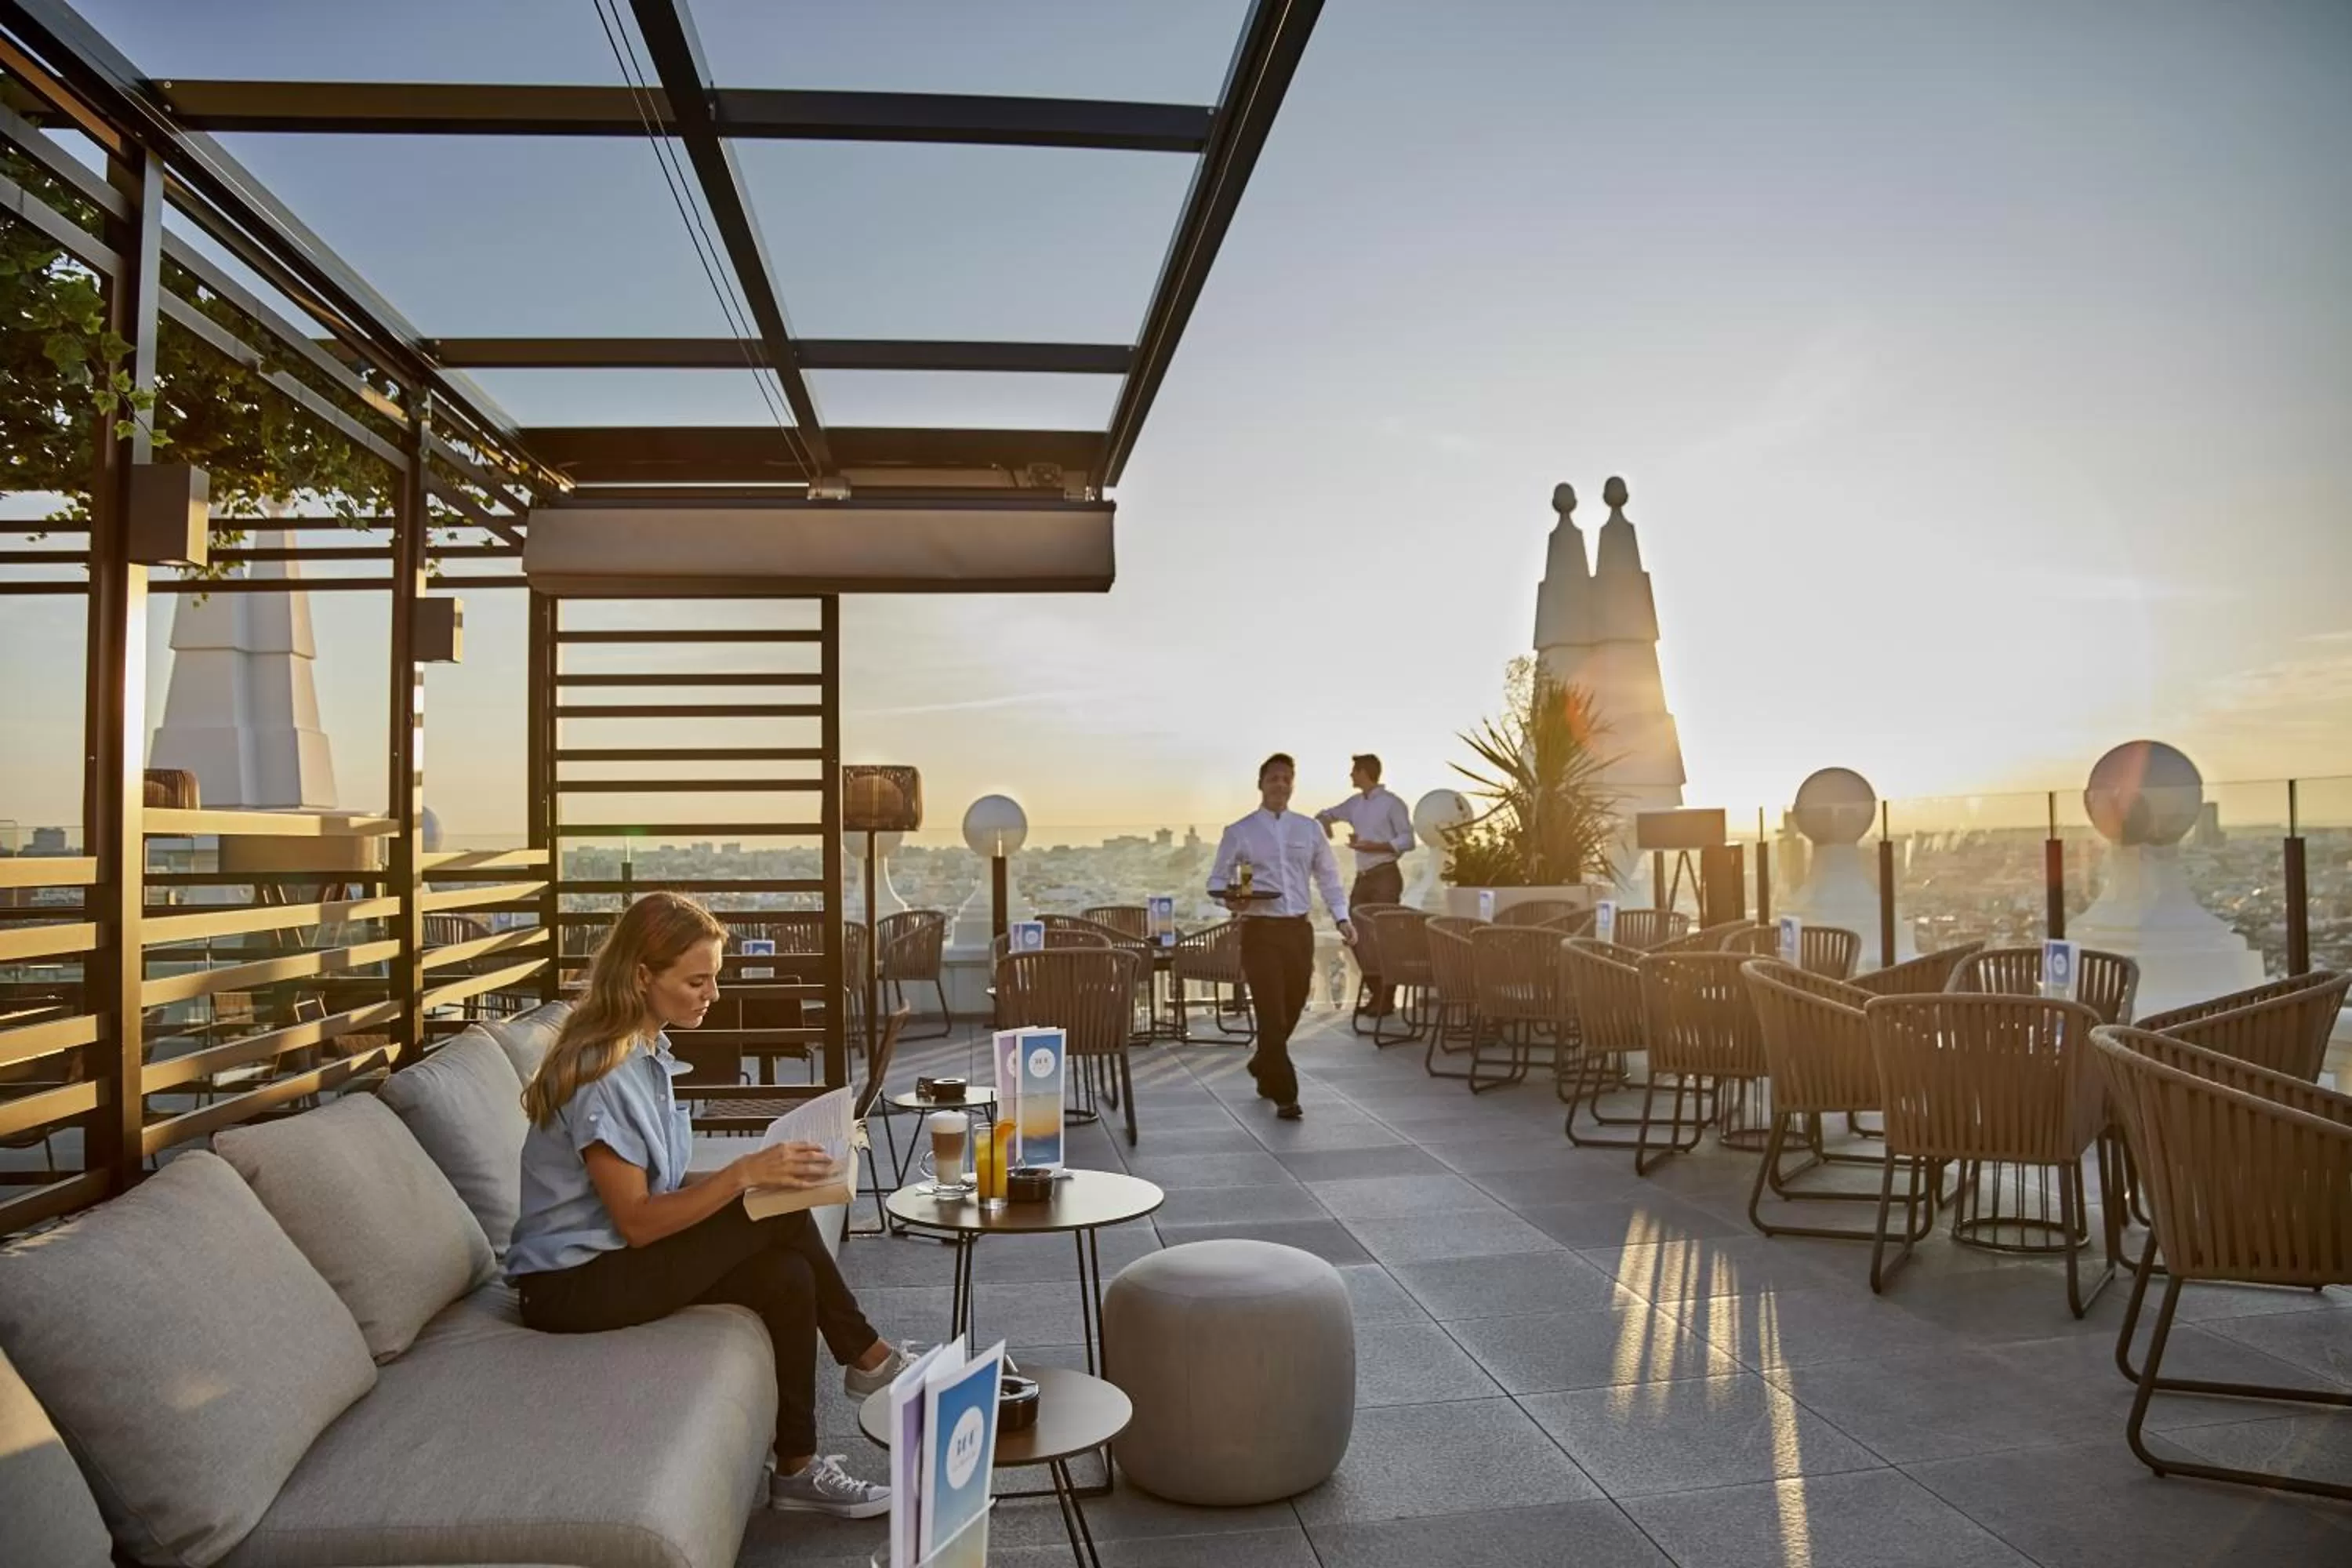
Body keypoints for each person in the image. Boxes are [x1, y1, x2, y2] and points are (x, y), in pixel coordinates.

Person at [505, 891, 906, 1518]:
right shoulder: (602, 1076)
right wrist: (744, 1175)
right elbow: (638, 1222)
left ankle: (798, 1468)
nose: (712, 994)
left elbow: (658, 1184)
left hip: (612, 1261)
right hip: (570, 1287)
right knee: (779, 1213)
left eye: (714, 978)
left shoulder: (646, 1057)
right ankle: (871, 1358)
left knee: (788, 1273)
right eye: (697, 980)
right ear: (643, 976)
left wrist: (760, 1175)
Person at [1209, 753, 1356, 1119]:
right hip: (1260, 931)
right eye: (1273, 778)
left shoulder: (1309, 830)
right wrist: (1233, 898)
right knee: (1270, 1013)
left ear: (1293, 785)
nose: (1280, 784)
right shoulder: (1240, 831)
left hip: (1298, 931)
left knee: (1294, 1004)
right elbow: (1216, 881)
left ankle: (1263, 1064)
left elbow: (1328, 879)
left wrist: (1342, 918)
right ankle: (1286, 1095)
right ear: (1261, 784)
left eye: (1287, 778)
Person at [1315, 753, 1416, 1015]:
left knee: (1385, 937)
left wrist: (1375, 846)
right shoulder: (1355, 803)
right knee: (1355, 935)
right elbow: (1325, 815)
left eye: (1354, 771)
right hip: (1364, 878)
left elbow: (1408, 840)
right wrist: (1327, 829)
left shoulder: (1393, 804)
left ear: (1364, 772)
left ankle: (1385, 998)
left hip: (1385, 875)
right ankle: (1378, 992)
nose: (1350, 775)